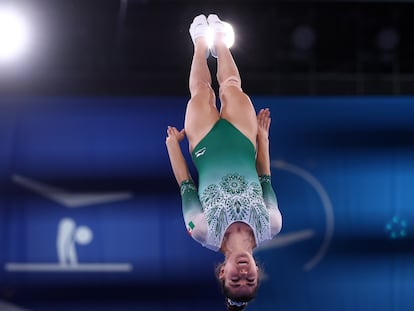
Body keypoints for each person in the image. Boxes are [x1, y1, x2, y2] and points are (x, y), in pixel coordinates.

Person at [166, 14, 282, 310]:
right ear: (259, 273)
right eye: (250, 280)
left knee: (202, 92)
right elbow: (265, 177)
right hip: (243, 141)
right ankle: (219, 39)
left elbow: (185, 185)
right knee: (231, 85)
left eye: (235, 280)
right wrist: (262, 139)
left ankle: (199, 44)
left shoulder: (202, 230)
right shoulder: (272, 225)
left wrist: (172, 147)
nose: (243, 274)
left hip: (205, 145)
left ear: (222, 272)